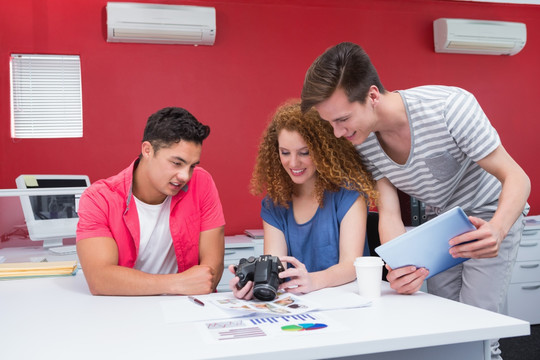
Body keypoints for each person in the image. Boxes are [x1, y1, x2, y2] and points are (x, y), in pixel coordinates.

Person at [300, 42, 530, 359]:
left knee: (478, 327)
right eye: (330, 123)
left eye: (342, 119)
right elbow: (390, 212)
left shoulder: (450, 107)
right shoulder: (362, 142)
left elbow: (517, 177)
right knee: (442, 323)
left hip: (492, 215)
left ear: (372, 96)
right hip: (443, 224)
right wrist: (401, 265)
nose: (338, 133)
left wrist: (499, 229)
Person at [229, 102, 377, 299]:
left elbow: (351, 265)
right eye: (285, 152)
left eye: (304, 152)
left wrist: (313, 281)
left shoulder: (349, 194)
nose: (293, 163)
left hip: (346, 300)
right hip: (302, 305)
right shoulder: (274, 205)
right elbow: (277, 264)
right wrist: (257, 282)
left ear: (323, 150)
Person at [76, 107, 225, 296]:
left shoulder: (202, 183)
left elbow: (211, 270)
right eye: (177, 163)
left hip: (187, 307)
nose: (185, 176)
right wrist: (176, 284)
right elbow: (100, 279)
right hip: (126, 309)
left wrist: (194, 285)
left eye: (192, 166)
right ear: (147, 150)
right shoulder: (98, 199)